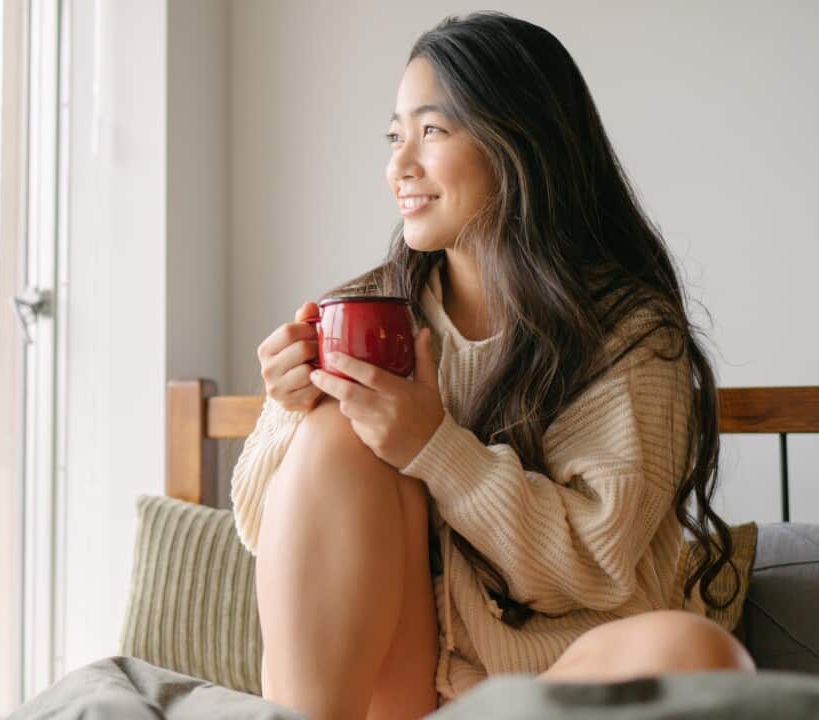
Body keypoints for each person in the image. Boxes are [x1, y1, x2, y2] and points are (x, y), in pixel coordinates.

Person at [230, 11, 755, 720]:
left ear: (520, 145)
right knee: (334, 433)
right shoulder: (370, 312)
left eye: (432, 131)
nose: (400, 166)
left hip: (552, 690)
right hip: (406, 686)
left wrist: (435, 448)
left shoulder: (628, 334)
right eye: (395, 136)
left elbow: (596, 566)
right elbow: (267, 533)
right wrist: (289, 410)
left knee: (695, 652)